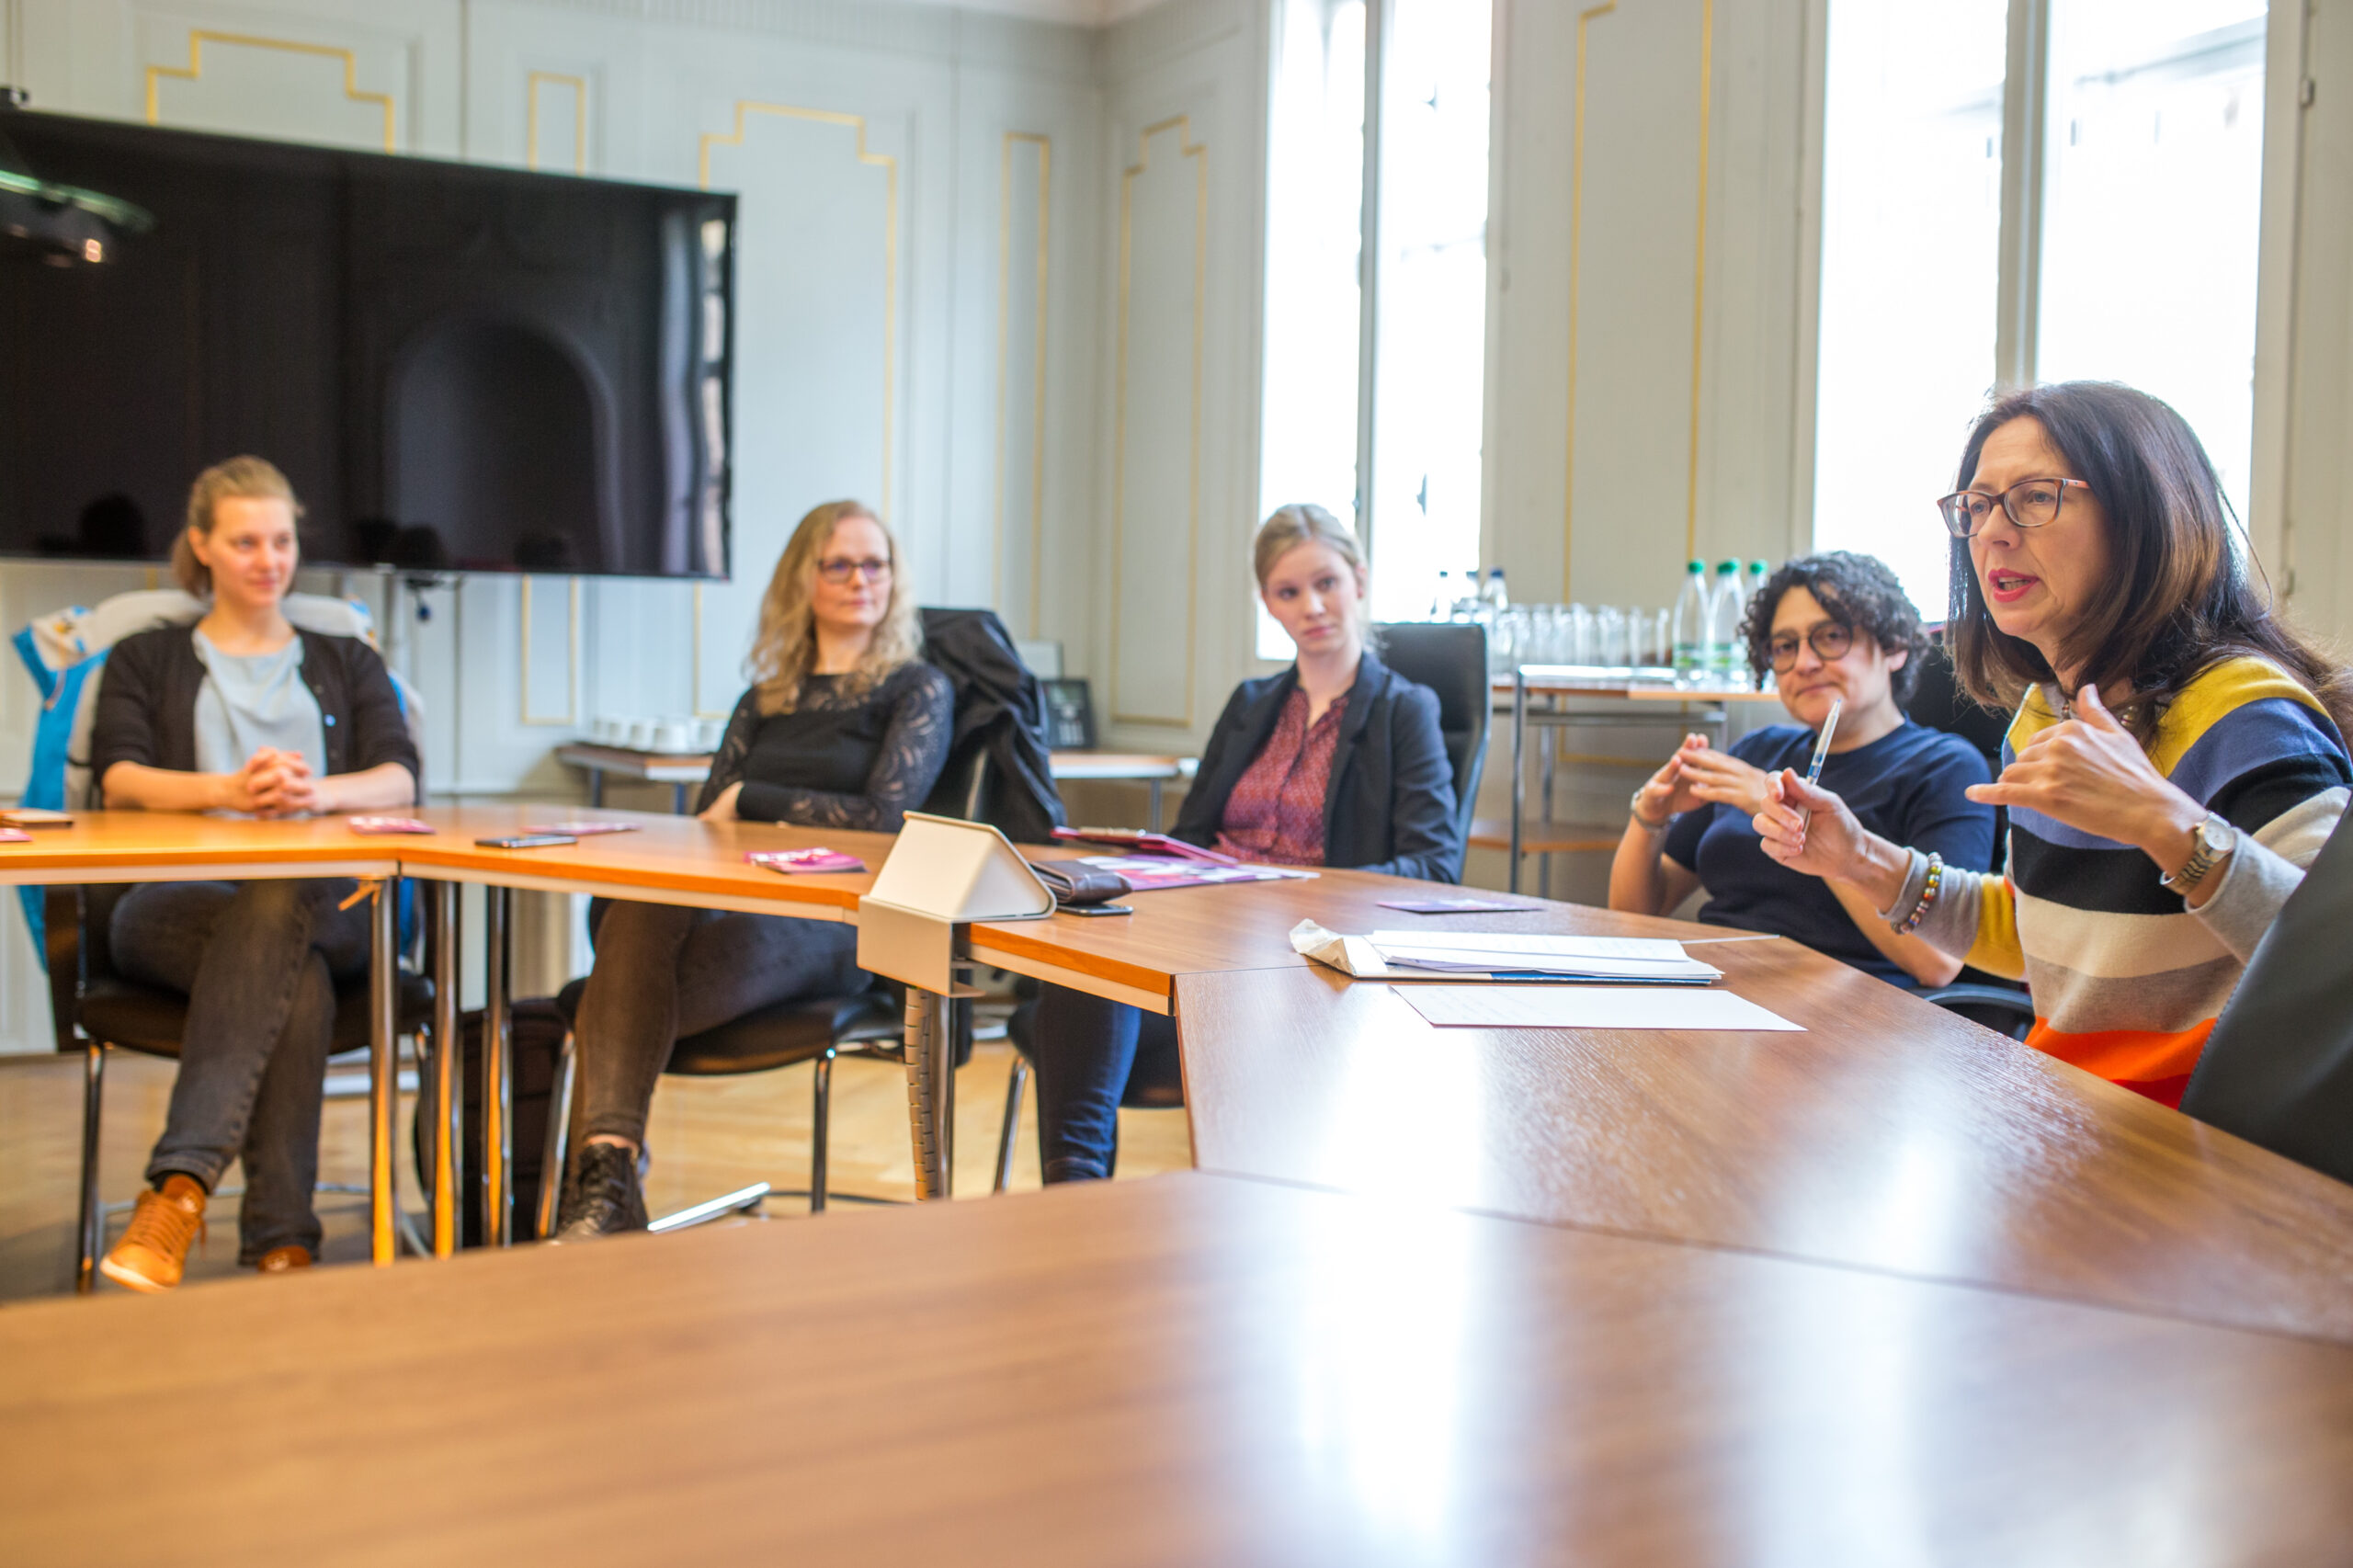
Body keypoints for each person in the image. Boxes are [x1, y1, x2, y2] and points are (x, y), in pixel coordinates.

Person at [1756, 381, 2353, 1107]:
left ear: (2145, 517)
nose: (1992, 534)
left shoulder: (2241, 708)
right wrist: (1860, 859)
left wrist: (2163, 826)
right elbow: (2029, 928)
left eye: (2035, 497)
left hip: (2197, 1144)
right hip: (2066, 1110)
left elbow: (2330, 970)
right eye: (1976, 508)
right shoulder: (2044, 713)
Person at [551, 500, 952, 1240]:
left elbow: (884, 817)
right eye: (840, 564)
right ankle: (609, 1185)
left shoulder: (916, 690)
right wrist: (736, 808)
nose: (861, 579)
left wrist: (755, 797)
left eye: (876, 563)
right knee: (642, 903)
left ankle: (603, 1188)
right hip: (730, 909)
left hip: (830, 924)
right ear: (804, 580)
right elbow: (705, 829)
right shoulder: (762, 701)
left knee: (598, 995)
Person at [1026, 504, 1461, 1183]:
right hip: (1203, 933)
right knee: (1091, 947)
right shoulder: (1252, 703)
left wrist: (1297, 889)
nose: (1312, 606)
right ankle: (1073, 1185)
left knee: (1095, 982)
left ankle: (1096, 1184)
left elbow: (1435, 864)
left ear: (1360, 581)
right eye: (1289, 593)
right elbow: (1195, 837)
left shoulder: (1405, 710)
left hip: (1302, 954)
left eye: (1327, 583)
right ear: (1268, 603)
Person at [91, 457, 421, 1290]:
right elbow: (120, 779)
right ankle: (282, 1239)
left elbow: (399, 776)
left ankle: (178, 1190)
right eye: (245, 541)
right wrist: (228, 791)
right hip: (175, 910)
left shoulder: (347, 658)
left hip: (331, 905)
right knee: (291, 971)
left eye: (281, 541)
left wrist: (316, 793)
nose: (268, 560)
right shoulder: (143, 658)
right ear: (201, 545)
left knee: (284, 908)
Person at [1608, 551, 1994, 990]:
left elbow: (1937, 961)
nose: (1805, 663)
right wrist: (1650, 817)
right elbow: (1634, 916)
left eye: (1830, 637)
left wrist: (1777, 810)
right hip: (1710, 989)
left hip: (1846, 1022)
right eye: (1785, 647)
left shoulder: (1944, 766)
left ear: (1894, 647)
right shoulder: (1758, 750)